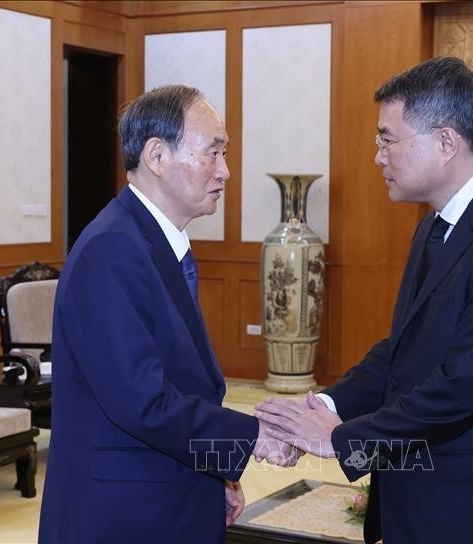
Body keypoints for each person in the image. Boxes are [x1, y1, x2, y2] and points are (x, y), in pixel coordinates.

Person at [256, 56, 473, 544]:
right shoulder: (432, 227)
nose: (378, 156)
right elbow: (402, 353)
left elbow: (464, 386)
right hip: (417, 489)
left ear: (444, 142)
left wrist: (337, 439)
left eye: (387, 139)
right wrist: (325, 403)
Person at [39, 85, 294, 544]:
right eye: (212, 153)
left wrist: (216, 474)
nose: (226, 171)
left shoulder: (148, 242)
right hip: (122, 518)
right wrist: (252, 436)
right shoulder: (113, 249)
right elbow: (142, 401)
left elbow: (182, 382)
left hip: (165, 495)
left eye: (225, 154)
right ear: (156, 155)